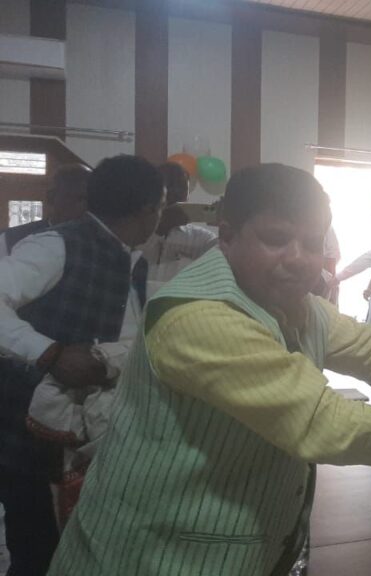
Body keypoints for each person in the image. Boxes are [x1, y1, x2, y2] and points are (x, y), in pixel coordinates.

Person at [46, 163, 371, 576]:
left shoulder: (295, 305)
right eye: (276, 238)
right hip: (153, 555)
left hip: (238, 547)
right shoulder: (198, 317)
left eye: (313, 243)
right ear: (227, 236)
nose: (298, 258)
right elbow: (322, 423)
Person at [0, 155, 164, 576]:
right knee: (37, 552)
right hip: (29, 436)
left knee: (81, 552)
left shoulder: (132, 260)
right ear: (150, 209)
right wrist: (49, 352)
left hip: (86, 437)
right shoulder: (57, 246)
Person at [140, 162, 218, 288]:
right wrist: (159, 229)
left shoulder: (200, 238)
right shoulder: (135, 230)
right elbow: (128, 256)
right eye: (170, 185)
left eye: (182, 188)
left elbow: (223, 261)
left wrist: (228, 226)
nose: (175, 193)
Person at [0, 163, 91, 258]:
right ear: (51, 197)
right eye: (70, 197)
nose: (82, 206)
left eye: (87, 200)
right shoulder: (12, 238)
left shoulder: (95, 241)